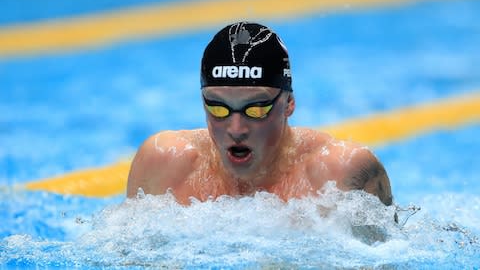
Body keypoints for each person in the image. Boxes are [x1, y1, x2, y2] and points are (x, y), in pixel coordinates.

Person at [127, 21, 393, 208]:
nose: (236, 128)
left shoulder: (338, 176)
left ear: (289, 103)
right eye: (218, 108)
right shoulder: (163, 164)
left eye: (256, 109)